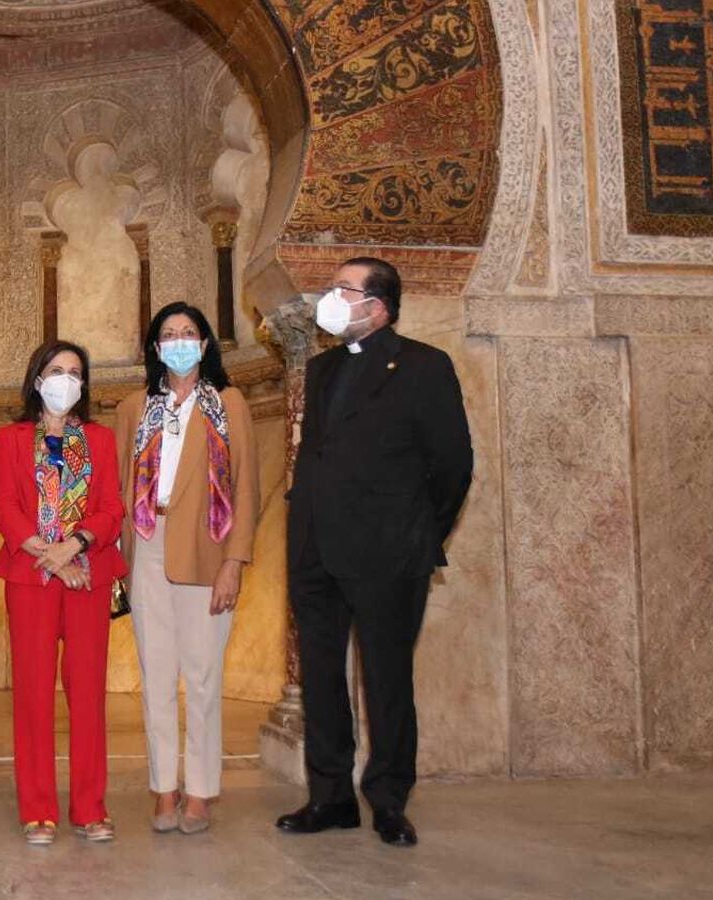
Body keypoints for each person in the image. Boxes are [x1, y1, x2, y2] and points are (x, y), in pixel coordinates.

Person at [275, 257, 473, 847]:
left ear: (377, 306)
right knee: (321, 679)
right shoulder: (321, 368)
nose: (330, 298)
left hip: (390, 554)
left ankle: (388, 800)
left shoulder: (423, 366)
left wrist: (416, 533)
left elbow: (454, 465)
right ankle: (330, 796)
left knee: (386, 680)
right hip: (316, 550)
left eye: (343, 289)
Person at [114, 302, 260, 835]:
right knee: (156, 678)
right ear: (155, 348)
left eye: (188, 333)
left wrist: (234, 563)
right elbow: (118, 485)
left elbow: (246, 488)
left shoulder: (230, 403)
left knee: (201, 678)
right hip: (147, 547)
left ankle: (199, 791)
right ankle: (164, 789)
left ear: (204, 346)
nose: (178, 341)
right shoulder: (134, 407)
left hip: (207, 550)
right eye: (168, 334)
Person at [0, 341, 127, 846]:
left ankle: (90, 807)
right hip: (32, 577)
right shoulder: (9, 438)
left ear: (84, 385)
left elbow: (113, 508)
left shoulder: (101, 440)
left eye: (75, 372)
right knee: (32, 693)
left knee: (88, 693)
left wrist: (72, 548)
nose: (65, 380)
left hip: (88, 574)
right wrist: (48, 554)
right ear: (35, 379)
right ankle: (38, 808)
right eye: (55, 370)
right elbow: (3, 506)